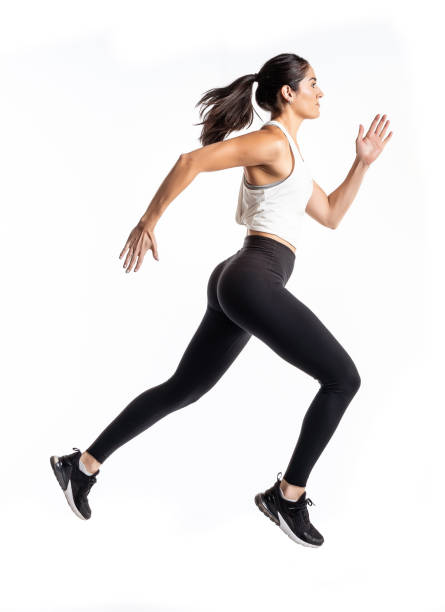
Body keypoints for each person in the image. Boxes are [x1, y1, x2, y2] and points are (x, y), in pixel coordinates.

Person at [50, 52, 393, 547]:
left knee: (183, 389)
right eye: (314, 83)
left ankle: (80, 467)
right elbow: (191, 161)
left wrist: (361, 164)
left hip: (242, 279)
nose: (322, 92)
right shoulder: (271, 142)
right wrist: (148, 221)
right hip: (253, 278)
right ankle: (287, 497)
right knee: (342, 379)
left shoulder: (291, 155)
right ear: (288, 93)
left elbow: (332, 213)